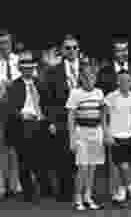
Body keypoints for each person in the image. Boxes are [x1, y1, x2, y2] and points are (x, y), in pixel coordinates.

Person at [98, 36, 131, 199]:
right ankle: (118, 190)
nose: (122, 53)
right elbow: (103, 100)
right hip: (113, 122)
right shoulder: (105, 72)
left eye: (125, 49)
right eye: (118, 50)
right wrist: (105, 130)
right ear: (114, 52)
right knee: (115, 162)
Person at [5, 52, 51, 202]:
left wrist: (48, 120)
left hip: (40, 123)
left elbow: (47, 104)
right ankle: (28, 192)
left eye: (31, 68)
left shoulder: (40, 83)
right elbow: (10, 108)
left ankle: (45, 188)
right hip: (23, 124)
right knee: (25, 160)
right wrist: (22, 114)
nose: (28, 71)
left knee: (42, 159)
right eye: (25, 68)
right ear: (20, 69)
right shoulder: (14, 86)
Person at [44, 35, 82, 201]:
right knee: (64, 156)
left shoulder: (87, 69)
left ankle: (83, 190)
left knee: (83, 155)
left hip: (85, 117)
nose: (71, 51)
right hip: (62, 117)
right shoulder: (53, 71)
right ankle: (65, 192)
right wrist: (51, 121)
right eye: (67, 48)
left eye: (74, 47)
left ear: (78, 49)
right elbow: (48, 99)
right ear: (62, 50)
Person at [66, 65, 105, 210]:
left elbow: (102, 114)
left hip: (96, 133)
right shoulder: (75, 93)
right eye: (86, 77)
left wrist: (105, 132)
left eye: (92, 77)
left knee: (92, 167)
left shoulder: (99, 92)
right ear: (81, 78)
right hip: (81, 133)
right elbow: (71, 117)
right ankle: (78, 198)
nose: (89, 80)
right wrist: (72, 138)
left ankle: (88, 196)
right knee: (82, 167)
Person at [103, 69, 131, 206]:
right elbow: (104, 117)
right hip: (115, 136)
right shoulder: (110, 97)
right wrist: (107, 134)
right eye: (121, 81)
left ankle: (121, 190)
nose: (124, 83)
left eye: (127, 81)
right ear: (117, 82)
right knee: (122, 164)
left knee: (128, 164)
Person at [0, 30, 20, 200]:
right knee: (1, 148)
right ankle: (1, 185)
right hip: (0, 109)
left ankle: (15, 184)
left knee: (15, 148)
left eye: (6, 42)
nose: (3, 46)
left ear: (11, 43)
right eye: (1, 43)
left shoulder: (18, 61)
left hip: (16, 110)